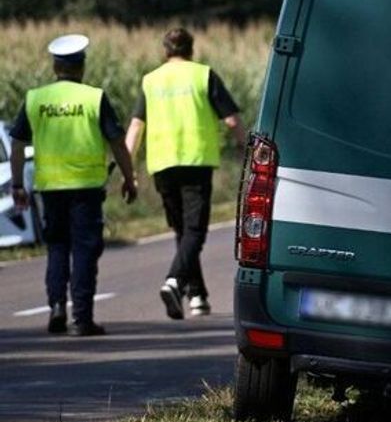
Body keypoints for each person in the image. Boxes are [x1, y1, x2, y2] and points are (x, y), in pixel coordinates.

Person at [8, 34, 138, 336]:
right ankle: (82, 318)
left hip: (50, 189)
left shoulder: (35, 99)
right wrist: (129, 177)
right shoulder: (94, 97)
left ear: (55, 67)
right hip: (86, 189)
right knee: (84, 250)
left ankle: (56, 307)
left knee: (56, 248)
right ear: (81, 66)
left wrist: (17, 185)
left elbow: (17, 144)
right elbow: (117, 142)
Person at [125, 28, 244, 319]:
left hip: (163, 165)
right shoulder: (203, 75)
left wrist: (129, 173)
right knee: (195, 231)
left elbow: (136, 127)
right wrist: (249, 147)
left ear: (165, 51)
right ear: (191, 50)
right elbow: (231, 120)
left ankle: (198, 296)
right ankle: (175, 281)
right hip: (195, 161)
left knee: (183, 230)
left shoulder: (151, 80)